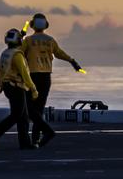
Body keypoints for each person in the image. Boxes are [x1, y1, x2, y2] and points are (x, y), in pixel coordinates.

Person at [21, 12, 83, 147]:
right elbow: (60, 53)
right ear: (45, 25)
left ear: (32, 25)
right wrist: (73, 61)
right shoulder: (50, 40)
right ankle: (36, 139)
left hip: (31, 77)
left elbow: (19, 54)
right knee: (39, 108)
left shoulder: (28, 41)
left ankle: (39, 135)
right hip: (46, 77)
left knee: (28, 108)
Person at [0, 28, 38, 150]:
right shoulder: (17, 55)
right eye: (20, 39)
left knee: (23, 117)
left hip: (9, 86)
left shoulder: (5, 53)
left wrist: (2, 84)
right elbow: (25, 74)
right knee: (17, 115)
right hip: (16, 87)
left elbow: (0, 71)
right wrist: (33, 89)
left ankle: (25, 144)